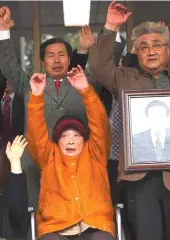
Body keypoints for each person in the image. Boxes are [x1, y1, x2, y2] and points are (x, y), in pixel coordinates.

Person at [89, 2, 170, 240]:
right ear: (136, 52)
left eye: (157, 45)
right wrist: (110, 26)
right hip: (140, 178)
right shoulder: (125, 78)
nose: (151, 51)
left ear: (168, 49)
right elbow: (97, 66)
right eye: (144, 47)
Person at [0, 6, 99, 210]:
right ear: (42, 61)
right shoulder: (29, 84)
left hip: (74, 158)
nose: (57, 60)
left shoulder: (85, 83)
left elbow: (104, 65)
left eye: (61, 55)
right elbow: (9, 66)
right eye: (51, 55)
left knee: (72, 210)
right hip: (33, 160)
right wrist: (4, 29)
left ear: (70, 59)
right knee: (34, 209)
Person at [26, 66, 115, 240]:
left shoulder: (95, 153)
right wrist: (36, 97)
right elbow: (36, 133)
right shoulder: (49, 156)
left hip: (96, 224)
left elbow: (100, 124)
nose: (71, 140)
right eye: (65, 136)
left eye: (76, 135)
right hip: (56, 227)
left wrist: (85, 91)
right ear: (57, 141)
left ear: (85, 139)